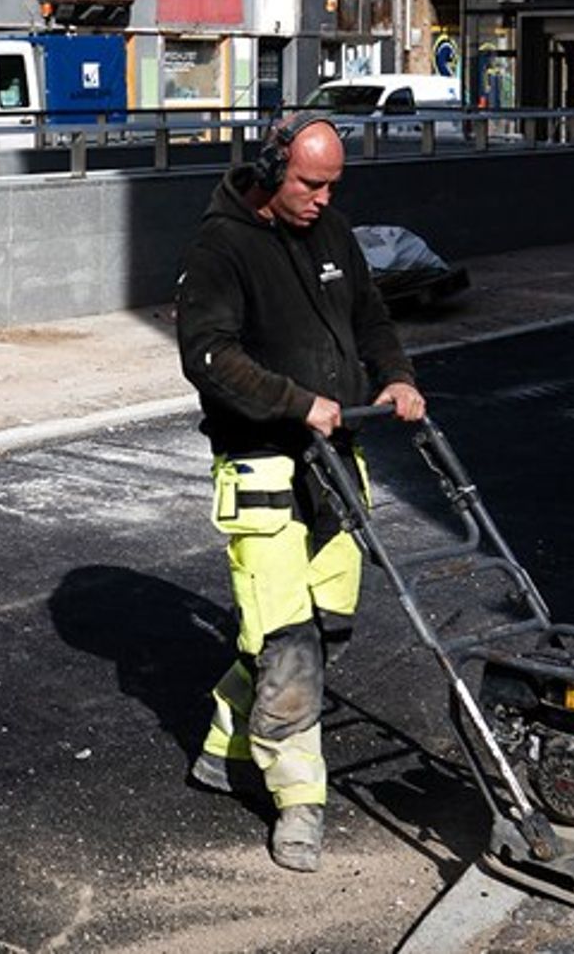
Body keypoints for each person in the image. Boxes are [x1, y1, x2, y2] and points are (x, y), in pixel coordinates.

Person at [174, 113, 426, 873]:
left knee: (325, 625)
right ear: (272, 168)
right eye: (310, 183)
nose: (322, 198)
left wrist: (398, 376)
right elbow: (209, 354)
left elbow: (370, 316)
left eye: (331, 185)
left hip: (335, 459)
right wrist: (294, 401)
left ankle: (224, 740)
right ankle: (298, 803)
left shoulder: (332, 233)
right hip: (262, 467)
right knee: (285, 641)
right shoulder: (220, 247)